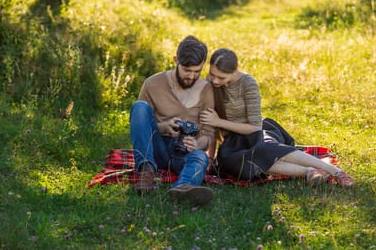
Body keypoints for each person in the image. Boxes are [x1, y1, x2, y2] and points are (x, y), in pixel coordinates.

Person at [200, 48, 355, 187]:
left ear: (234, 71)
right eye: (212, 75)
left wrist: (219, 122)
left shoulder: (247, 83)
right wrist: (211, 157)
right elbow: (211, 123)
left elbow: (254, 127)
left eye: (221, 77)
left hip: (256, 133)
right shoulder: (211, 84)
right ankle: (310, 171)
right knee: (236, 164)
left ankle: (335, 172)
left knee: (263, 149)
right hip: (234, 143)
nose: (214, 80)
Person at [130, 35, 216, 205]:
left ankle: (182, 189)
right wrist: (165, 127)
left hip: (185, 153)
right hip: (157, 148)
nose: (191, 76)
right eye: (187, 70)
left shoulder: (207, 90)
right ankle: (147, 172)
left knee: (200, 157)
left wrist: (197, 144)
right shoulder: (152, 84)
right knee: (139, 106)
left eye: (197, 71)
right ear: (176, 60)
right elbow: (142, 124)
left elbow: (209, 135)